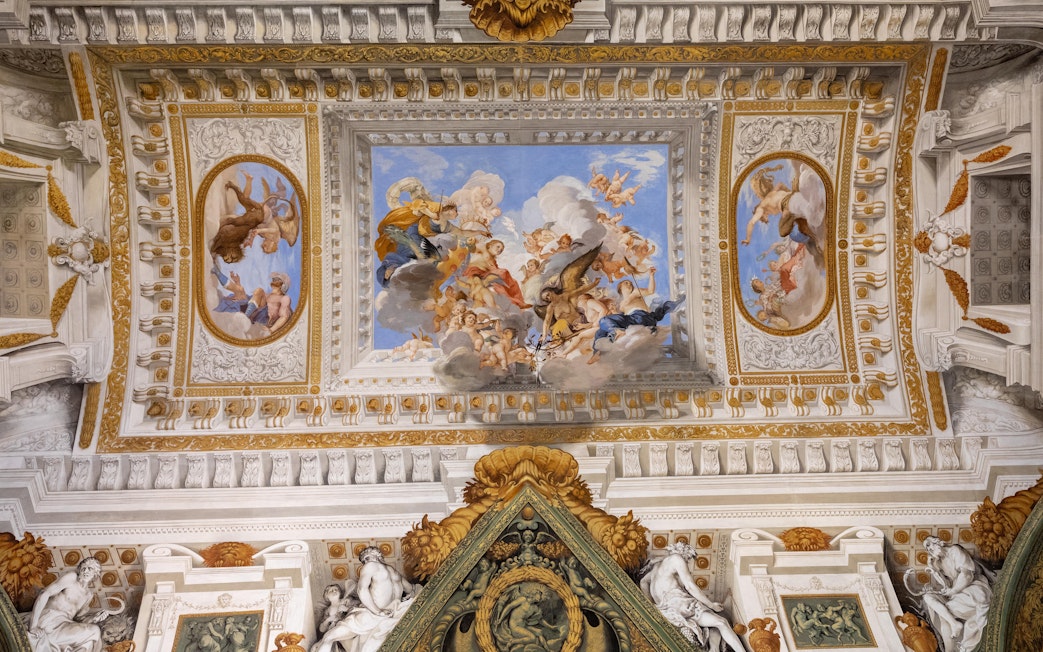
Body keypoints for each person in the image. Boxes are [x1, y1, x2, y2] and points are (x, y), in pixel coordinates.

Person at [640, 543, 746, 652]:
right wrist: (711, 605)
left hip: (667, 611)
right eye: (688, 558)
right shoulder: (676, 559)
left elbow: (643, 582)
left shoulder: (656, 568)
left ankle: (713, 649)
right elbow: (690, 586)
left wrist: (653, 605)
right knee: (721, 622)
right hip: (681, 606)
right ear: (683, 552)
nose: (686, 562)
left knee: (713, 625)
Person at [310, 547, 417, 652]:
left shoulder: (371, 566)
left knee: (329, 637)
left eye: (366, 558)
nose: (365, 562)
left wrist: (378, 611)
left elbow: (362, 590)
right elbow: (410, 589)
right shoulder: (394, 572)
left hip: (374, 615)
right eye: (364, 561)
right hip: (394, 612)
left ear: (375, 556)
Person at [918, 536, 992, 652]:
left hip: (972, 587)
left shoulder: (954, 550)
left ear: (938, 542)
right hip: (957, 593)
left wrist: (953, 591)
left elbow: (967, 575)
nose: (929, 550)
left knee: (945, 613)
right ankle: (954, 626)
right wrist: (934, 569)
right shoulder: (939, 562)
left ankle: (952, 643)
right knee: (928, 598)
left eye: (929, 545)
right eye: (927, 549)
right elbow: (945, 584)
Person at [29, 557, 106, 652]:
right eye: (83, 568)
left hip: (65, 624)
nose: (85, 571)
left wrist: (93, 618)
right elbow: (45, 593)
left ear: (95, 574)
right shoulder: (72, 578)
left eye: (90, 569)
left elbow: (78, 619)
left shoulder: (88, 595)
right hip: (50, 620)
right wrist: (33, 626)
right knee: (94, 631)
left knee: (89, 641)